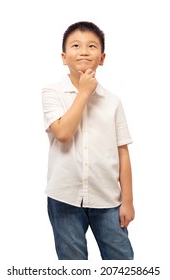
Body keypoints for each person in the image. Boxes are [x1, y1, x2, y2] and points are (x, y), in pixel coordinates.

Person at [42, 21, 135, 260]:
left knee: (121, 262)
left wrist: (128, 202)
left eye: (92, 46)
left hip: (108, 199)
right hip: (64, 197)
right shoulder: (52, 92)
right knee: (73, 265)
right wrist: (83, 93)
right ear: (64, 57)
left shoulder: (112, 101)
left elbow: (122, 151)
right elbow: (62, 134)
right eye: (75, 45)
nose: (84, 51)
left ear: (102, 58)